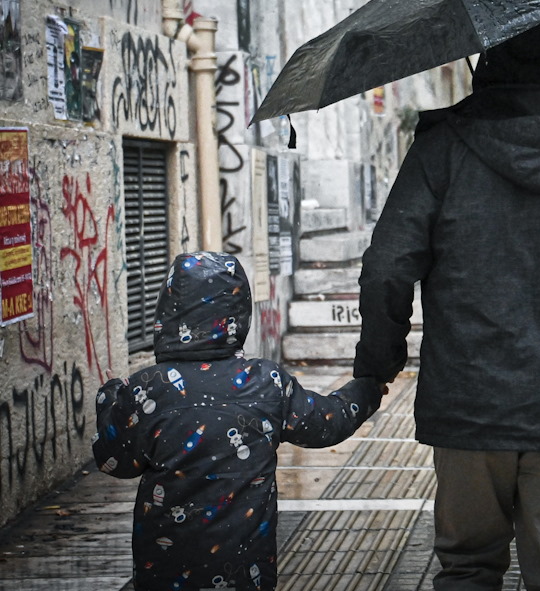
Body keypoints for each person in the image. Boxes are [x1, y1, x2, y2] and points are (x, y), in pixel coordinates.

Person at [354, 11, 540, 591]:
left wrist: (378, 362)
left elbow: (387, 266)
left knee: (467, 571)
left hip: (469, 405)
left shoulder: (442, 148)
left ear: (490, 61)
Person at [93, 251, 382, 591]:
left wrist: (110, 397)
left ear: (168, 312)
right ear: (238, 314)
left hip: (163, 572)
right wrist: (367, 388)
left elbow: (116, 462)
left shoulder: (148, 390)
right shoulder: (266, 381)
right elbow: (327, 424)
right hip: (245, 571)